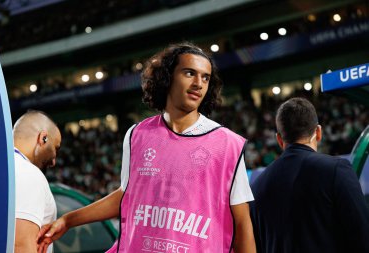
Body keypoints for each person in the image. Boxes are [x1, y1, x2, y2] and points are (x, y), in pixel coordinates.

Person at [37, 42, 256, 253]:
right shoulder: (136, 135)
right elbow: (127, 195)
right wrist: (68, 220)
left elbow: (242, 222)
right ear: (167, 78)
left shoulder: (228, 144)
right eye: (189, 73)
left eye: (205, 77)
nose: (199, 83)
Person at [250, 97, 369, 253]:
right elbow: (363, 236)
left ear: (279, 139)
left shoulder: (256, 187)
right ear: (318, 132)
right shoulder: (336, 169)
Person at [13, 110, 61, 253]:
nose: (53, 161)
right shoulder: (27, 172)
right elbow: (20, 246)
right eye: (55, 148)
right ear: (43, 138)